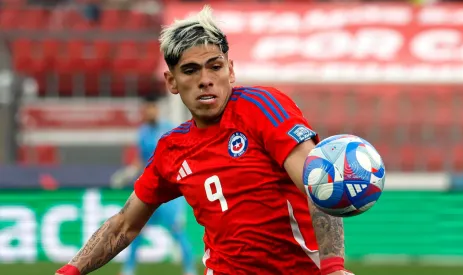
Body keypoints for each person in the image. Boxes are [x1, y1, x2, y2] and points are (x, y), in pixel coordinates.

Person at [55, 5, 353, 275]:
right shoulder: (171, 149)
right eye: (190, 70)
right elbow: (124, 225)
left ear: (231, 70)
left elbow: (319, 185)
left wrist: (333, 267)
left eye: (215, 66)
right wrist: (70, 271)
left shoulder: (264, 109)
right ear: (172, 81)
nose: (205, 79)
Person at [110, 94, 196, 275]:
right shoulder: (142, 132)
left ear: (156, 110)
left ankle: (190, 269)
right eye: (147, 109)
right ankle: (128, 269)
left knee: (177, 231)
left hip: (168, 192)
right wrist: (127, 173)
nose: (150, 112)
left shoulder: (168, 129)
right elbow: (141, 160)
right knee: (135, 230)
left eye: (152, 108)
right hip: (150, 190)